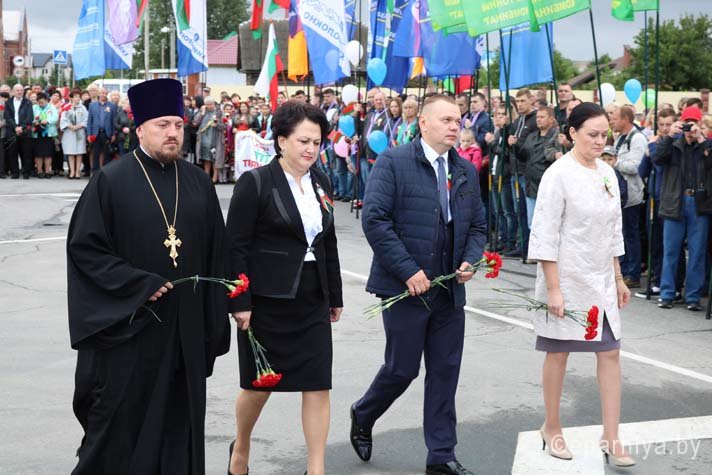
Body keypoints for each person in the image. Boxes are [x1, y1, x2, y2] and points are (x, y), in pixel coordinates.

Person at [66, 78, 230, 474]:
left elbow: (218, 253)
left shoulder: (198, 182)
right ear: (140, 129)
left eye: (178, 124)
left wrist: (224, 312)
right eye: (163, 125)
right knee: (121, 428)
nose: (173, 132)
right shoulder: (110, 181)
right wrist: (139, 284)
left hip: (186, 331)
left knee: (179, 425)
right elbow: (85, 250)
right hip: (132, 331)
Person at [350, 95, 487, 475]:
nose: (454, 126)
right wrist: (408, 271)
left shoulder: (463, 169)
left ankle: (441, 455)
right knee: (402, 368)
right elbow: (375, 220)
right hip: (405, 289)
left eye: (458, 120)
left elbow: (478, 225)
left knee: (445, 370)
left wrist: (470, 260)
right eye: (446, 120)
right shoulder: (394, 162)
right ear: (423, 123)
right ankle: (364, 413)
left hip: (447, 290)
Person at [226, 101, 343, 475]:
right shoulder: (256, 182)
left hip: (312, 296)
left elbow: (327, 242)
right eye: (303, 141)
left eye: (317, 142)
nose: (311, 149)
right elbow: (235, 246)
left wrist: (334, 294)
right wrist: (239, 301)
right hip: (267, 301)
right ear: (281, 141)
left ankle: (316, 469)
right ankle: (241, 446)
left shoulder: (321, 182)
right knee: (259, 385)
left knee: (317, 383)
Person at [528, 102, 634, 468]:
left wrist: (618, 278)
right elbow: (544, 234)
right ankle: (552, 426)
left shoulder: (607, 173)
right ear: (572, 133)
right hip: (568, 279)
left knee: (610, 353)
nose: (600, 141)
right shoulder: (557, 174)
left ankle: (612, 435)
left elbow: (613, 230)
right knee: (559, 353)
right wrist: (553, 289)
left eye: (605, 134)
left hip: (601, 280)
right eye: (592, 135)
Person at [653, 106, 712, 311]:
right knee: (671, 251)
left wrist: (702, 140)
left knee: (697, 252)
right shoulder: (672, 143)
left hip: (699, 203)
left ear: (700, 123)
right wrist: (669, 136)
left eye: (693, 123)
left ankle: (693, 296)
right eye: (686, 122)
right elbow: (657, 158)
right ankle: (667, 294)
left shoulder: (706, 145)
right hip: (675, 202)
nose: (689, 127)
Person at [610, 105, 647, 288]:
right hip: (619, 193)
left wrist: (615, 162)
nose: (612, 121)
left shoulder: (637, 138)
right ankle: (623, 270)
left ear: (625, 119)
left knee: (631, 234)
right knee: (621, 233)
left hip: (631, 194)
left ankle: (633, 274)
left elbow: (636, 166)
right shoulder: (620, 138)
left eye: (615, 118)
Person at [514, 106, 559, 228]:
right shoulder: (532, 136)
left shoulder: (556, 136)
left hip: (547, 185)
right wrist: (514, 146)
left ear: (551, 119)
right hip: (530, 185)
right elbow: (523, 156)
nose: (538, 119)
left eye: (542, 117)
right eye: (537, 117)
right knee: (532, 224)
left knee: (547, 224)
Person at [505, 88, 538, 257]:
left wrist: (516, 144)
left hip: (526, 173)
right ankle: (521, 244)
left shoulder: (534, 121)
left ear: (531, 100)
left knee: (528, 212)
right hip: (514, 171)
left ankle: (528, 247)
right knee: (518, 211)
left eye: (523, 101)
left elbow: (529, 148)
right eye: (517, 101)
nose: (520, 104)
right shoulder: (517, 121)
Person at [4, 84, 34, 179]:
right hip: (12, 131)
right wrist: (15, 127)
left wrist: (22, 127)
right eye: (17, 90)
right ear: (13, 91)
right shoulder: (8, 102)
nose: (20, 92)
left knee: (26, 153)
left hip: (25, 131)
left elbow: (30, 117)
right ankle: (15, 173)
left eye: (21, 90)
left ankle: (26, 173)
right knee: (12, 153)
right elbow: (7, 117)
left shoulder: (28, 102)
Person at [87, 87, 118, 173]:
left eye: (105, 93)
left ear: (107, 94)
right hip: (95, 133)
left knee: (106, 154)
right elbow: (90, 121)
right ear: (98, 94)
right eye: (101, 93)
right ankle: (95, 173)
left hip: (107, 133)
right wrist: (89, 134)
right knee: (95, 154)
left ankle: (105, 173)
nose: (103, 95)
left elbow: (114, 121)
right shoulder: (92, 105)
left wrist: (113, 134)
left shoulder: (112, 106)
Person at [195, 97, 225, 183]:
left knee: (215, 158)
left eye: (211, 104)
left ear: (214, 104)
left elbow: (224, 125)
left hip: (215, 139)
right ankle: (206, 176)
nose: (209, 106)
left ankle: (215, 177)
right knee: (206, 159)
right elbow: (195, 122)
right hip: (204, 139)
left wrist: (217, 125)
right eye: (207, 104)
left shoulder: (219, 113)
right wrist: (202, 113)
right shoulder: (202, 112)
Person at [60, 90, 88, 179]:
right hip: (69, 132)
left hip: (80, 131)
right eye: (75, 97)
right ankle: (72, 171)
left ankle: (77, 171)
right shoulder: (66, 107)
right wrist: (70, 126)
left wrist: (79, 126)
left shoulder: (83, 108)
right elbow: (63, 120)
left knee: (79, 152)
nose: (77, 98)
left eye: (79, 97)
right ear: (71, 98)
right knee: (70, 152)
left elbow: (86, 119)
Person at [31, 92, 59, 178]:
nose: (40, 104)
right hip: (37, 133)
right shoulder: (34, 107)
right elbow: (30, 118)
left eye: (42, 102)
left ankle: (47, 171)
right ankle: (39, 171)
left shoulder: (52, 107)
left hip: (48, 133)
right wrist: (35, 121)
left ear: (47, 100)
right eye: (39, 102)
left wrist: (47, 121)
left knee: (48, 153)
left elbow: (55, 118)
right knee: (38, 153)